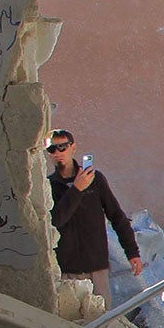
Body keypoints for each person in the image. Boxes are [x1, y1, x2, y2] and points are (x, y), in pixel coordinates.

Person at [47, 127, 141, 302]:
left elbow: (116, 216)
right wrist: (76, 190)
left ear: (73, 148)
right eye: (52, 149)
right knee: (71, 321)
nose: (57, 153)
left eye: (62, 147)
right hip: (67, 269)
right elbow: (55, 221)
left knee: (102, 320)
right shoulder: (48, 186)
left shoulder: (95, 179)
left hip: (96, 265)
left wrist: (132, 252)